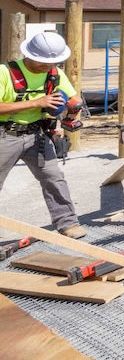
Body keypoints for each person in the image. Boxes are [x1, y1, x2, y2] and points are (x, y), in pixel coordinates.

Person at [0, 32, 86, 237]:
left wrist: (73, 111)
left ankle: (68, 223)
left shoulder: (54, 73)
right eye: (43, 62)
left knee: (53, 178)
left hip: (37, 134)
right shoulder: (5, 73)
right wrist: (37, 102)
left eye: (53, 62)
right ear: (30, 55)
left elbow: (73, 98)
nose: (48, 66)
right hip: (5, 135)